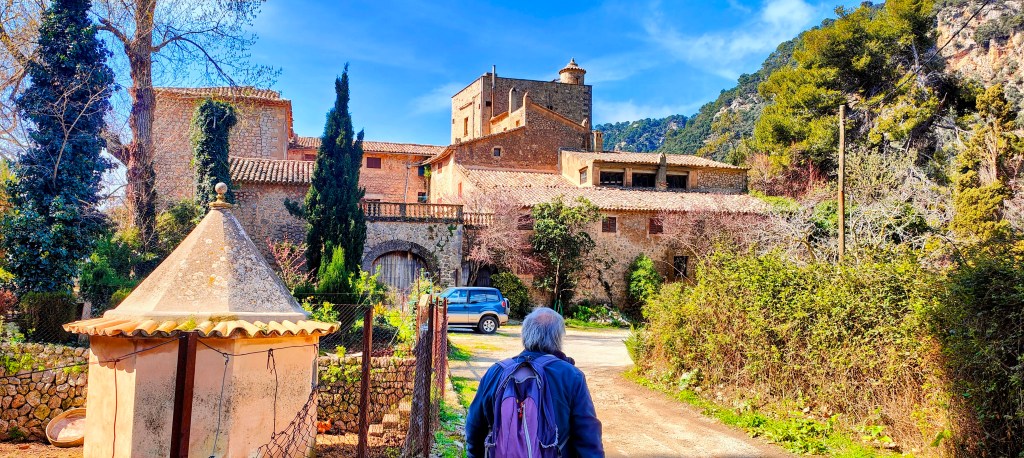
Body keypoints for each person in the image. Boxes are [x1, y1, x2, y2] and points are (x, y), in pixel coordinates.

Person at [465, 307, 604, 457]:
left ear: (524, 335)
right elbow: (588, 436)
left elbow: (474, 427)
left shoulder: (496, 372)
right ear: (558, 338)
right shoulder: (570, 376)